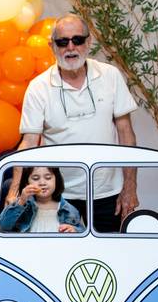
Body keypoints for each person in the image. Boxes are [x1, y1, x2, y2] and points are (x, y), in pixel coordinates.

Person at [7, 14, 139, 232]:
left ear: (88, 42)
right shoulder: (39, 87)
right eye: (62, 42)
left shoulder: (110, 76)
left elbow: (126, 133)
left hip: (108, 191)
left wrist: (130, 187)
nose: (70, 47)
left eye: (77, 40)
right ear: (52, 46)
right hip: (58, 195)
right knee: (61, 253)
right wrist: (14, 190)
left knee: (108, 251)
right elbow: (29, 142)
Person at [0, 166, 84, 233]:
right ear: (27, 183)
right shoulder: (23, 205)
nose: (42, 183)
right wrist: (21, 202)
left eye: (48, 178)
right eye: (35, 178)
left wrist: (74, 230)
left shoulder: (68, 209)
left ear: (56, 180)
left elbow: (82, 230)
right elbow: (3, 226)